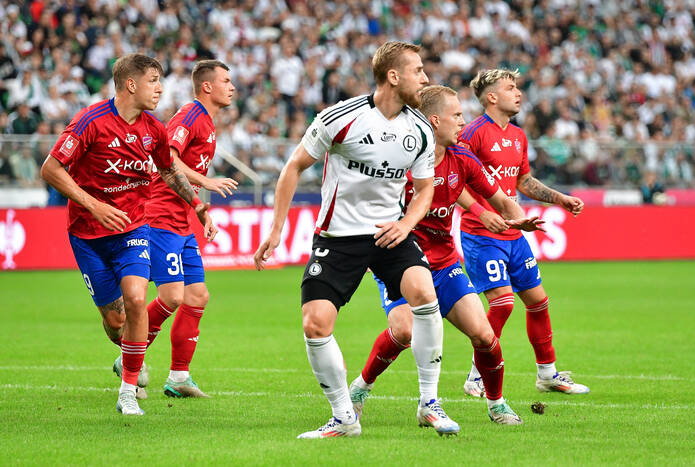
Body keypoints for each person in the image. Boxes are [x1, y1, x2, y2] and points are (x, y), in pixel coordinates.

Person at [254, 41, 457, 438]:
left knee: (423, 291)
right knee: (315, 323)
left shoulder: (419, 130)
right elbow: (294, 166)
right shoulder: (340, 117)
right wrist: (276, 229)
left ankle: (429, 403)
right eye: (418, 70)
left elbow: (425, 188)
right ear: (393, 76)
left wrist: (407, 223)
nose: (426, 78)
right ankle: (344, 418)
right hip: (339, 236)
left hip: (389, 233)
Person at [348, 85, 544, 426]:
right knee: (406, 331)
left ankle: (496, 404)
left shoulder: (462, 159)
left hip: (443, 262)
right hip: (399, 262)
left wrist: (516, 217)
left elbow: (499, 198)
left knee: (484, 335)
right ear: (434, 121)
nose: (462, 121)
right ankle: (361, 388)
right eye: (456, 115)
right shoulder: (398, 158)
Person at [40, 54, 216, 416]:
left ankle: (128, 391)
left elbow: (168, 171)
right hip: (87, 233)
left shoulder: (154, 129)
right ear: (131, 84)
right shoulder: (91, 121)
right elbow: (51, 168)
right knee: (116, 320)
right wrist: (94, 205)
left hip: (133, 227)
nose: (160, 88)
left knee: (137, 299)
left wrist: (196, 203)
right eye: (153, 80)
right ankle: (128, 359)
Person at [458, 69, 589, 396]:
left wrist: (559, 198)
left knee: (538, 300)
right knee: (502, 304)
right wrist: (483, 214)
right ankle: (476, 375)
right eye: (510, 88)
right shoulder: (473, 134)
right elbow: (456, 180)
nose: (518, 93)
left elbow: (523, 182)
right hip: (482, 233)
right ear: (491, 97)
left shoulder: (517, 136)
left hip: (514, 233)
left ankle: (547, 374)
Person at [142, 59, 237, 398]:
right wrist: (207, 181)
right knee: (171, 295)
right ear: (207, 87)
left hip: (183, 219)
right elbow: (166, 157)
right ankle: (130, 354)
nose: (232, 87)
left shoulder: (209, 123)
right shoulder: (190, 115)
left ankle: (179, 377)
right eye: (226, 81)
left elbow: (185, 177)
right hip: (160, 216)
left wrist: (203, 214)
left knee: (197, 296)